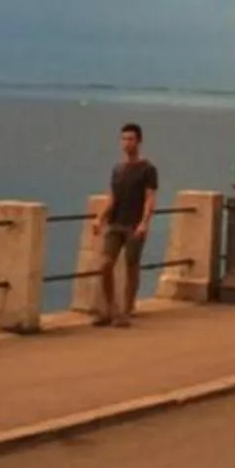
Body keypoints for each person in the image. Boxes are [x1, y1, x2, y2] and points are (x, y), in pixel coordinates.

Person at [91, 121, 158, 327]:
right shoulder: (118, 169)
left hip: (134, 225)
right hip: (116, 223)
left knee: (131, 267)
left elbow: (150, 198)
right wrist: (100, 218)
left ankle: (126, 310)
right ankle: (110, 308)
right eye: (123, 139)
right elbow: (113, 197)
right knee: (105, 264)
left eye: (130, 139)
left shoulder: (148, 169)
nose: (126, 143)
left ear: (139, 141)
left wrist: (144, 223)